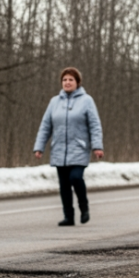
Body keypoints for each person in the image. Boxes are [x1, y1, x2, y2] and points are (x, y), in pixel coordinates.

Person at [33, 67, 104, 226]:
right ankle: (68, 216)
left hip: (79, 148)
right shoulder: (54, 102)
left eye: (71, 79)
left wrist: (97, 147)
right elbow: (45, 126)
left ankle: (84, 207)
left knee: (75, 177)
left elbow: (95, 125)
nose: (67, 82)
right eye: (64, 80)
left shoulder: (87, 101)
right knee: (64, 185)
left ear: (77, 82)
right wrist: (39, 147)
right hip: (59, 150)